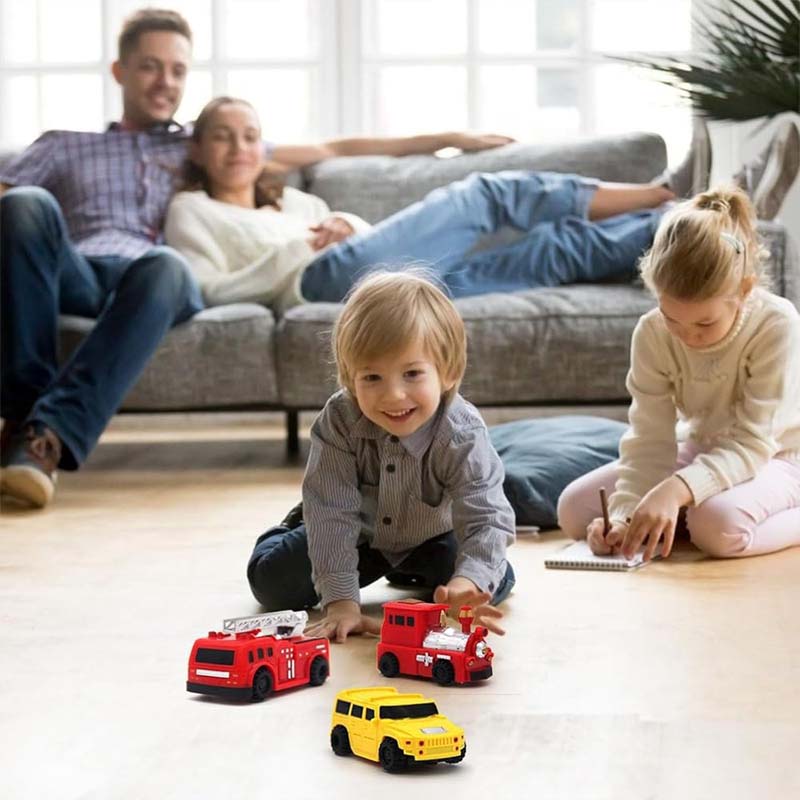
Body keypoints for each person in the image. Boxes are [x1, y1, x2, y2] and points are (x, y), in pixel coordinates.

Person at [0, 9, 511, 509]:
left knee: (167, 265)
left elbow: (333, 148)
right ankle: (24, 422)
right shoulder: (64, 145)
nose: (165, 81)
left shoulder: (200, 144)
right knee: (23, 204)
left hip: (152, 282)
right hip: (76, 271)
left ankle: (40, 437)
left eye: (177, 69)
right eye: (150, 66)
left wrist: (447, 139)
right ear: (120, 71)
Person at [166, 96, 701, 312]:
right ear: (196, 147)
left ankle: (685, 217)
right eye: (221, 136)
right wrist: (297, 251)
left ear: (264, 146)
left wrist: (345, 223)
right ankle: (663, 189)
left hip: (381, 290)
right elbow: (204, 290)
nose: (238, 148)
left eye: (250, 135)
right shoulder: (193, 210)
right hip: (317, 285)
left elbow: (373, 246)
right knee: (485, 195)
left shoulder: (297, 201)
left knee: (550, 251)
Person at [247, 271, 516, 641]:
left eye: (412, 374)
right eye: (372, 378)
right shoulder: (340, 420)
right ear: (349, 378)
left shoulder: (462, 431)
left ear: (448, 372)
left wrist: (465, 583)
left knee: (490, 582)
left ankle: (413, 571)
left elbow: (486, 515)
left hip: (431, 536)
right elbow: (333, 514)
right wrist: (341, 602)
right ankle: (295, 522)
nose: (393, 396)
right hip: (356, 533)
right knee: (271, 584)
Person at [557, 186, 800, 562]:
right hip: (705, 447)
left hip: (779, 454)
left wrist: (674, 491)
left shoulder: (776, 324)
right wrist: (623, 516)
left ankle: (694, 512)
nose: (688, 336)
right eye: (672, 318)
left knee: (716, 528)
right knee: (574, 510)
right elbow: (649, 437)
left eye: (705, 322)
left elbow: (753, 444)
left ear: (745, 290)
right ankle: (685, 511)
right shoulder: (652, 331)